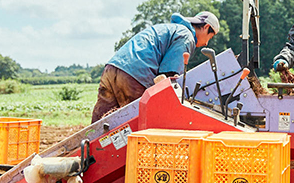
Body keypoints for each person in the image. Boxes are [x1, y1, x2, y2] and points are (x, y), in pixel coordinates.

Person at [91, 11, 220, 123]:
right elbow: (169, 76)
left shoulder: (171, 28)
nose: (206, 43)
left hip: (113, 67)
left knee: (99, 126)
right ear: (206, 27)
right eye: (210, 36)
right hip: (136, 75)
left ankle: (83, 150)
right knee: (138, 124)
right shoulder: (186, 37)